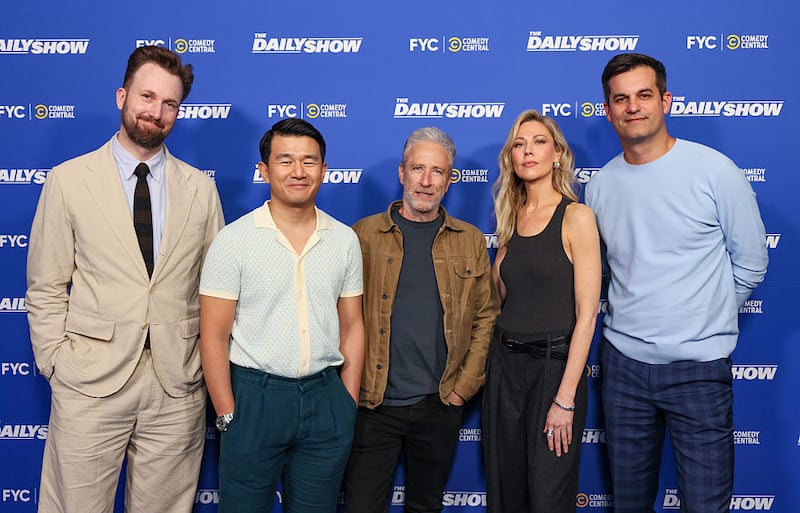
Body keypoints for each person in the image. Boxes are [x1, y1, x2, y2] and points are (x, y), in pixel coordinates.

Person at [25, 46, 225, 513]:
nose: (156, 112)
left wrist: (201, 365)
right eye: (147, 96)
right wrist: (55, 361)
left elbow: (215, 288)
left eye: (170, 104)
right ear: (122, 96)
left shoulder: (201, 188)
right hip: (88, 380)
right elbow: (45, 285)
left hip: (176, 386)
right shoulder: (69, 180)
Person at [585, 53, 769, 513]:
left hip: (699, 370)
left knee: (706, 505)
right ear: (607, 110)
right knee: (629, 503)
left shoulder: (714, 171)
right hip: (623, 368)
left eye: (644, 95)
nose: (633, 107)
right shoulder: (601, 185)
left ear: (665, 100)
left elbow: (750, 262)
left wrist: (705, 317)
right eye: (620, 98)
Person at [199, 118, 364, 513]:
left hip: (326, 400)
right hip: (253, 399)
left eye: (309, 161)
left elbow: (353, 325)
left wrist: (348, 401)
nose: (298, 171)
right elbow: (212, 335)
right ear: (264, 170)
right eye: (285, 160)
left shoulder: (343, 240)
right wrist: (226, 413)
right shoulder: (233, 241)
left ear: (324, 170)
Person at [342, 127, 499, 513]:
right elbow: (339, 317)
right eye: (417, 169)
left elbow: (485, 317)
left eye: (437, 172)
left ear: (449, 179)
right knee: (361, 506)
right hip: (371, 405)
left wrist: (463, 388)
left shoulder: (470, 240)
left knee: (426, 506)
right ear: (401, 173)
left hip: (439, 404)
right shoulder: (362, 235)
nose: (426, 182)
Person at [482, 110, 601, 512]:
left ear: (557, 154)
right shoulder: (510, 219)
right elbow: (503, 297)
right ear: (511, 158)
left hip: (553, 371)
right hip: (505, 369)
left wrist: (565, 398)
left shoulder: (576, 216)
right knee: (506, 494)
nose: (528, 151)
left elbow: (587, 315)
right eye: (519, 143)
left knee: (549, 498)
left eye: (538, 142)